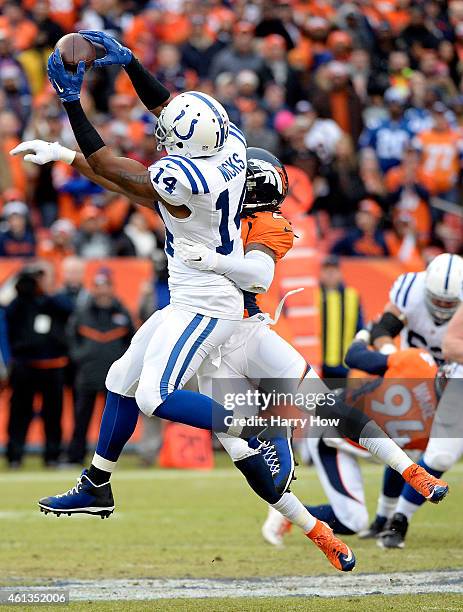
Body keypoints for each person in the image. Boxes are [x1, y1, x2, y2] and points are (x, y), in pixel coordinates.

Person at [261, 341, 439, 545]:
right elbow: (355, 357)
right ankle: (286, 511)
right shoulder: (419, 364)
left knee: (407, 460)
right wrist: (366, 336)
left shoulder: (419, 364)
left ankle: (290, 512)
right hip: (332, 434)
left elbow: (354, 356)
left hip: (357, 439)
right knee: (353, 521)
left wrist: (364, 337)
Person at [5, 264, 72, 467]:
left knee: (53, 416)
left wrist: (49, 289)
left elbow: (68, 308)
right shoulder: (20, 301)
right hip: (25, 366)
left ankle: (52, 456)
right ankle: (14, 456)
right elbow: (8, 311)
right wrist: (23, 282)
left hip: (53, 366)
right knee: (19, 413)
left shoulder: (54, 300)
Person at [66, 268, 134, 465]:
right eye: (98, 287)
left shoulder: (122, 312)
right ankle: (75, 457)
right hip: (87, 375)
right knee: (81, 420)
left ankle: (109, 460)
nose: (103, 291)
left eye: (106, 286)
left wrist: (122, 364)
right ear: (93, 289)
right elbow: (71, 339)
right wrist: (82, 357)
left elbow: (133, 341)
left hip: (114, 378)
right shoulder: (82, 312)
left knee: (112, 422)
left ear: (112, 288)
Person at [318, 255, 364, 380]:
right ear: (320, 273)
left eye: (334, 269)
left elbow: (359, 329)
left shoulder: (352, 296)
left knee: (339, 398)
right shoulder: (313, 295)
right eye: (327, 269)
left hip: (343, 364)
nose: (330, 273)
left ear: (340, 273)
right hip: (317, 364)